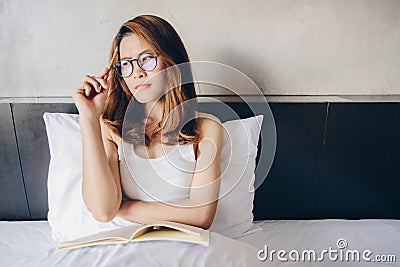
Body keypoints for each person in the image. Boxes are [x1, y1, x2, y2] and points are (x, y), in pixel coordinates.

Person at [72, 14, 222, 229]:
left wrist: (121, 206)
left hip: (186, 246)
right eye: (126, 64)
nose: (137, 73)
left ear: (172, 61)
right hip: (126, 247)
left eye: (147, 59)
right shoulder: (111, 129)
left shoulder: (206, 128)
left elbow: (201, 215)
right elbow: (103, 211)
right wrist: (89, 118)